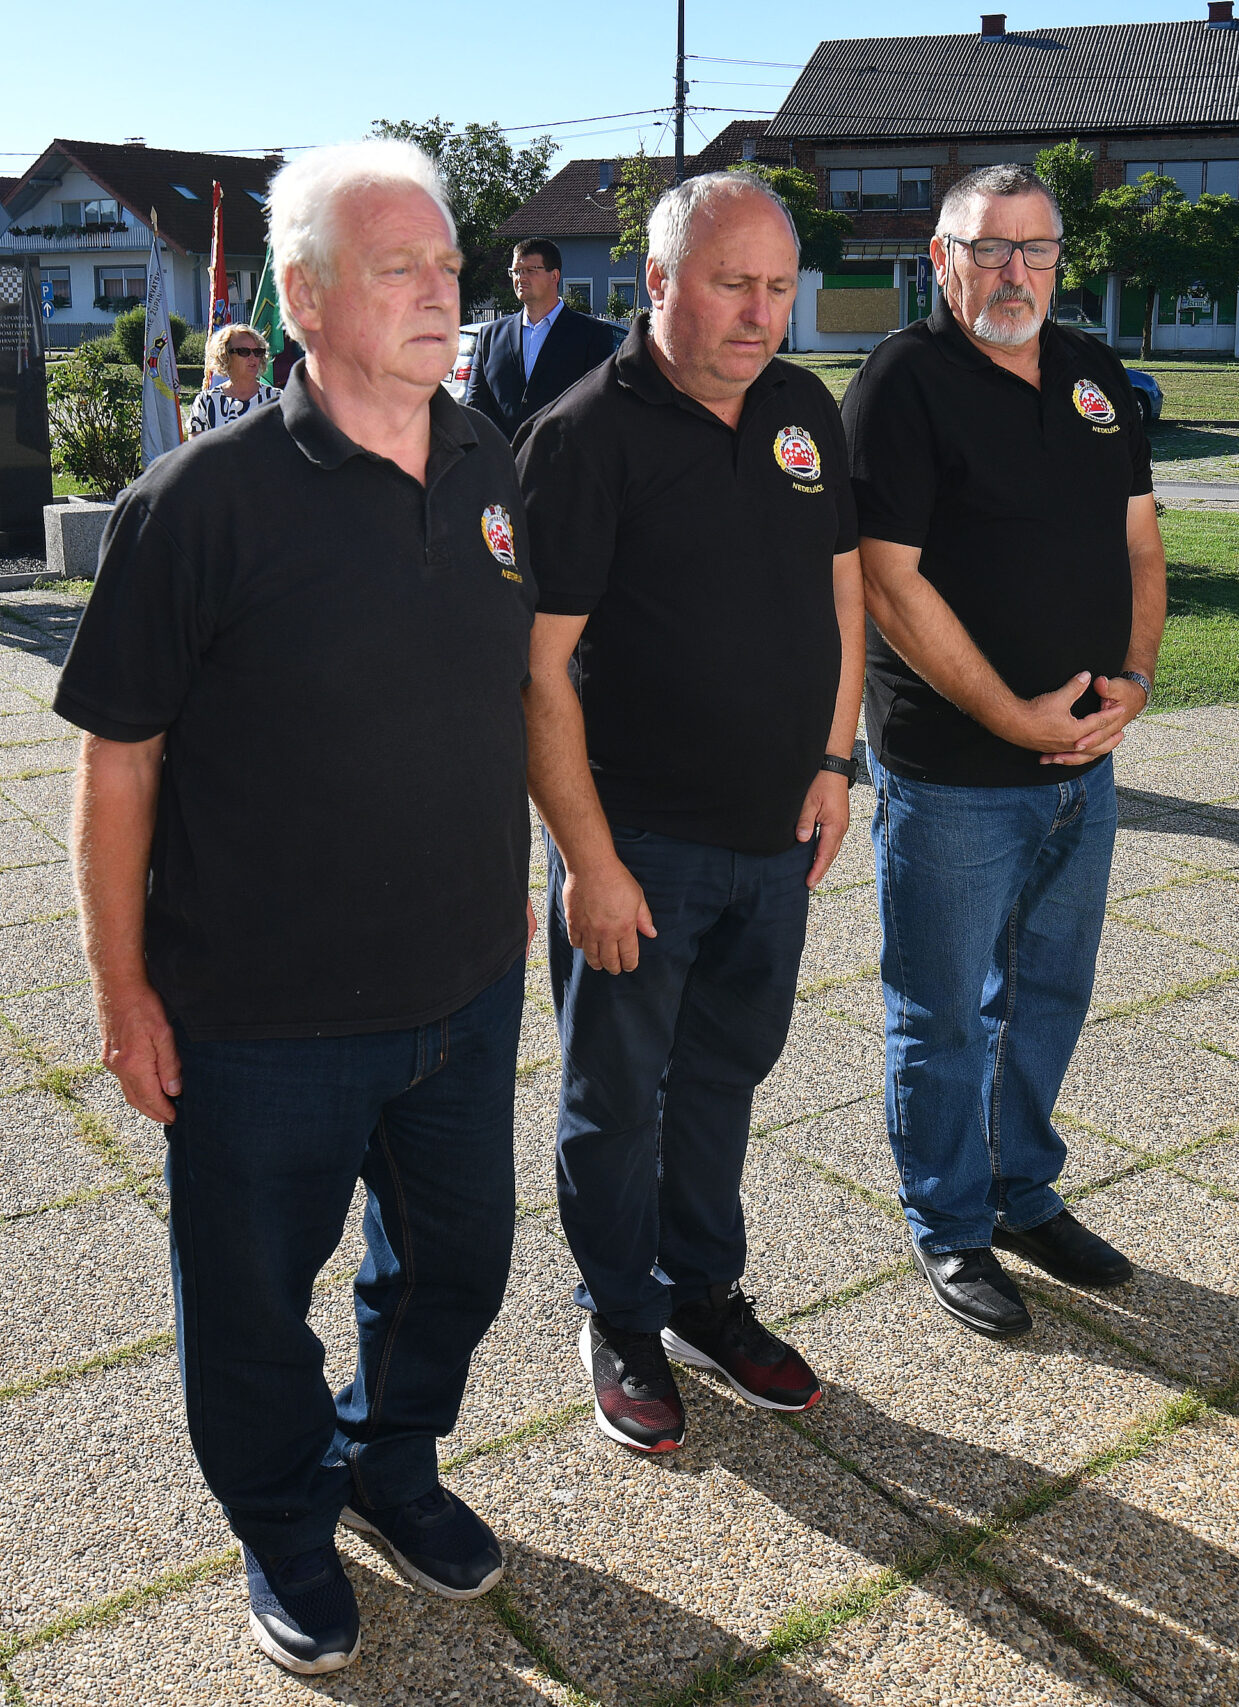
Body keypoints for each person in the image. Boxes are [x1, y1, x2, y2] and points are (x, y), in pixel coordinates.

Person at [57, 138, 535, 1675]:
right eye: (400, 269)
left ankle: (390, 1460)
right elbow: (119, 762)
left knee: (457, 1260)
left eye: (448, 265)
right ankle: (281, 1513)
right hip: (262, 1015)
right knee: (254, 1297)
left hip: (465, 984)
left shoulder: (488, 460)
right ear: (307, 299)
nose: (440, 293)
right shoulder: (198, 503)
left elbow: (501, 691)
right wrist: (121, 989)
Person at [515, 173, 861, 1455]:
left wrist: (834, 762)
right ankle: (618, 1316)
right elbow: (538, 671)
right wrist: (587, 859)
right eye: (731, 285)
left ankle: (703, 1293)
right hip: (641, 849)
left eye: (777, 287)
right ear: (657, 282)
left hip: (775, 838)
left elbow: (841, 595)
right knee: (616, 1100)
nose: (761, 313)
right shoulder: (582, 437)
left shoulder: (802, 408)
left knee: (723, 1079)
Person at [840, 163, 1162, 1338]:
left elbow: (1140, 540)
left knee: (1047, 994)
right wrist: (1010, 717)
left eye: (1035, 249)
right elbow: (889, 581)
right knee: (942, 1015)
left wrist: (1135, 679)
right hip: (954, 774)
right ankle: (949, 1223)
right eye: (988, 248)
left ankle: (1021, 1191)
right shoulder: (901, 382)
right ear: (942, 258)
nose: (1014, 272)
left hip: (1085, 761)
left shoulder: (1090, 373)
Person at [464, 238, 622, 440]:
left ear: (554, 276)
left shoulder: (592, 335)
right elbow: (476, 407)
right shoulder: (490, 336)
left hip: (563, 455)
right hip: (503, 457)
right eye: (516, 271)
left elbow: (598, 406)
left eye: (530, 270)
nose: (521, 278)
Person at [186, 322, 280, 436]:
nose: (252, 357)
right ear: (225, 356)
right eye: (244, 351)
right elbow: (196, 445)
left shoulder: (278, 400)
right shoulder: (205, 402)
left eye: (257, 352)